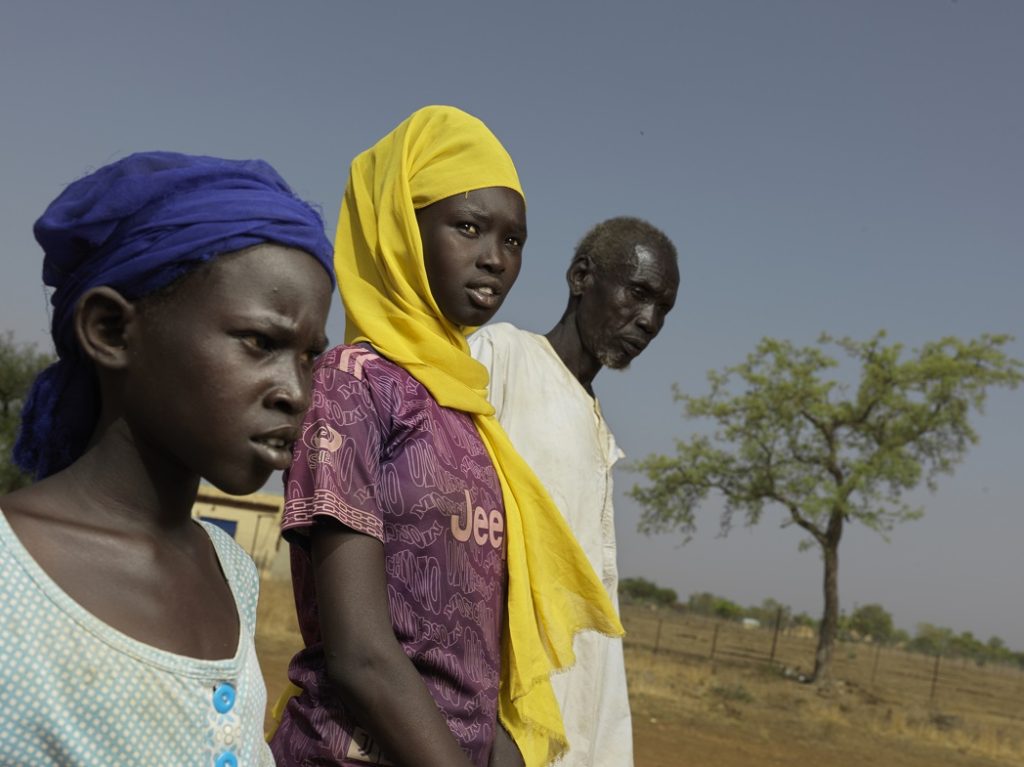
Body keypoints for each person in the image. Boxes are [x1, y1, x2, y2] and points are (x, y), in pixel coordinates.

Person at [269, 106, 623, 767]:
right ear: (401, 224)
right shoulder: (355, 383)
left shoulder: (469, 410)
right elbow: (362, 655)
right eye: (468, 226)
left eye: (513, 240)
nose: (494, 258)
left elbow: (470, 658)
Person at [0, 151, 335, 766]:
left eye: (310, 356)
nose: (297, 391)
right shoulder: (10, 575)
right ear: (110, 330)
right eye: (261, 342)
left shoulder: (229, 569)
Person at [470, 217, 680, 766]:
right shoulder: (502, 356)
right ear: (581, 276)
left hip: (571, 705)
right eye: (638, 294)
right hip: (493, 708)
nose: (650, 320)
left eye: (663, 309)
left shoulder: (593, 420)